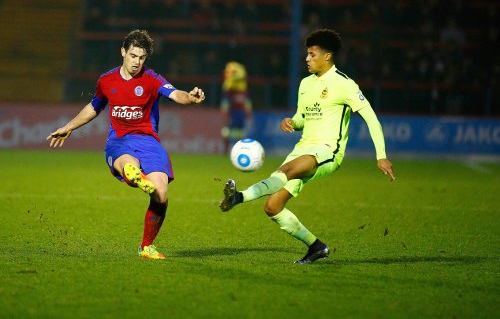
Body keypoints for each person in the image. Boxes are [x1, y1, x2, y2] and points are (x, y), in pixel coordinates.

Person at [219, 28, 395, 264]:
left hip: (327, 151)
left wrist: (381, 156)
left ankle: (238, 198)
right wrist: (291, 121)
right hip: (302, 148)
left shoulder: (345, 84)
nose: (307, 59)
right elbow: (302, 118)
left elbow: (371, 118)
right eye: (307, 54)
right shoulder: (305, 84)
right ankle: (316, 247)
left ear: (327, 56)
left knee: (287, 171)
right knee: (273, 207)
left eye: (312, 54)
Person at [47, 29, 205, 260]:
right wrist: (69, 126)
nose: (136, 62)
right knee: (128, 164)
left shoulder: (152, 79)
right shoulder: (106, 80)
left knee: (161, 193)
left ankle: (146, 247)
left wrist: (190, 98)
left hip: (149, 141)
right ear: (123, 52)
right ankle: (134, 174)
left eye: (141, 58)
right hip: (119, 141)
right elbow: (94, 107)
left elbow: (175, 94)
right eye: (133, 56)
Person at [220, 61, 253, 153]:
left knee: (240, 133)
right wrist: (225, 114)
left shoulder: (243, 88)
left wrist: (249, 113)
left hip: (240, 113)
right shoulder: (229, 88)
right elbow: (225, 103)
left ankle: (239, 151)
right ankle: (226, 151)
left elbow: (247, 102)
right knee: (226, 132)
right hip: (232, 112)